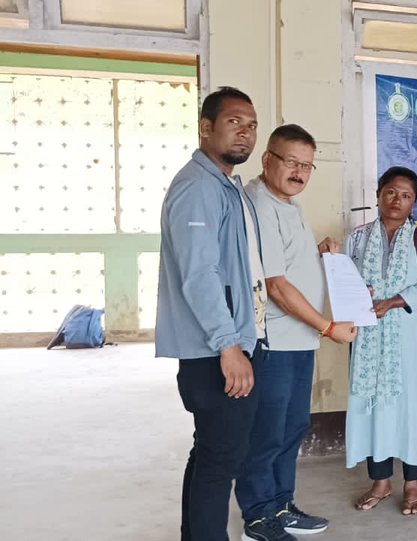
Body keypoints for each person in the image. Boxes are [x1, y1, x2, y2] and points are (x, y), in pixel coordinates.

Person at [157, 87, 264, 541]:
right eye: (235, 122)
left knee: (211, 455)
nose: (246, 132)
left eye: (252, 124)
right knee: (221, 461)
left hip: (227, 342)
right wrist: (229, 345)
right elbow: (199, 275)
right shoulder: (198, 186)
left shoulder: (224, 184)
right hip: (214, 350)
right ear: (206, 127)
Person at [237, 124, 352, 540]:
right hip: (275, 342)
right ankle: (258, 516)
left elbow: (288, 264)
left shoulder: (287, 204)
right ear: (267, 159)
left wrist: (315, 253)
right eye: (291, 162)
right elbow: (276, 285)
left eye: (307, 165)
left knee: (291, 429)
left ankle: (282, 505)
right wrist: (327, 327)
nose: (299, 172)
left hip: (298, 340)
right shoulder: (260, 203)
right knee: (267, 433)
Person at [344, 167, 417, 516]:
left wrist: (394, 300)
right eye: (390, 192)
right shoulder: (356, 238)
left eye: (405, 194)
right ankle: (380, 482)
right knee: (373, 407)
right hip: (369, 337)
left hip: (410, 340)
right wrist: (359, 293)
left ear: (414, 201)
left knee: (412, 408)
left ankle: (412, 485)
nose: (396, 200)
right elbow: (344, 282)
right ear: (378, 196)